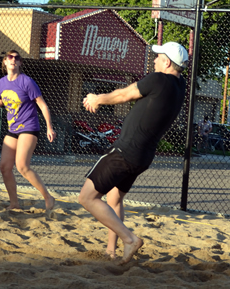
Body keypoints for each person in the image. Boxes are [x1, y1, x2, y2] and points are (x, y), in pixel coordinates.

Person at [79, 41, 188, 264]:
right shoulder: (179, 86)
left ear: (167, 62)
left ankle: (129, 239)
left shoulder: (159, 79)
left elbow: (124, 95)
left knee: (87, 197)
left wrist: (97, 98)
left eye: (158, 57)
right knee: (114, 198)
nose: (155, 60)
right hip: (143, 156)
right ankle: (111, 250)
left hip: (125, 151)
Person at [0, 50, 56, 212]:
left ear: (20, 63)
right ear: (5, 62)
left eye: (17, 58)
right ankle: (14, 203)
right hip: (13, 129)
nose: (13, 60)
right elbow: (0, 101)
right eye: (10, 57)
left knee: (22, 166)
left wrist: (49, 127)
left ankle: (48, 197)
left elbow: (43, 105)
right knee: (4, 167)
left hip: (29, 128)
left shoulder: (27, 82)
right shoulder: (2, 82)